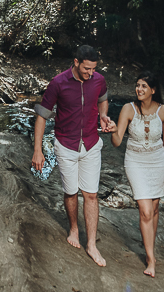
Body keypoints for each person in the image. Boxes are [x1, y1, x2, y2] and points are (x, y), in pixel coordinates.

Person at [31, 45, 116, 267]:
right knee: (71, 192)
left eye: (94, 69)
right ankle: (74, 229)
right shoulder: (58, 83)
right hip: (65, 145)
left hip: (91, 144)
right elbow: (42, 116)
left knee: (91, 195)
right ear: (76, 62)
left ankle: (92, 245)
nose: (91, 73)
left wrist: (104, 116)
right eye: (87, 68)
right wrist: (38, 150)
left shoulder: (99, 80)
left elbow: (103, 98)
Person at [111, 71, 164, 278]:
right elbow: (117, 141)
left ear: (153, 91)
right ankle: (150, 259)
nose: (139, 89)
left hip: (158, 163)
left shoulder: (163, 111)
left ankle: (150, 248)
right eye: (138, 85)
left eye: (144, 86)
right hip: (135, 162)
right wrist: (112, 130)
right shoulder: (128, 109)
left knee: (155, 208)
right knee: (146, 210)